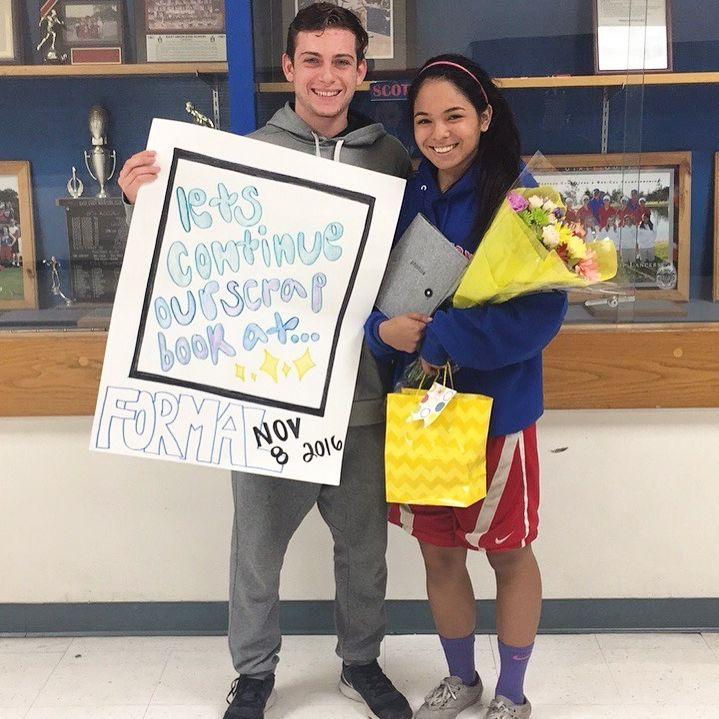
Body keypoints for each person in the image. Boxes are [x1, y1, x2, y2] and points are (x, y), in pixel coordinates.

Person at [118, 5, 413, 719]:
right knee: (256, 549)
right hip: (267, 397)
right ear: (288, 68)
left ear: (362, 71)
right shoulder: (245, 155)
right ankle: (253, 673)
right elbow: (186, 257)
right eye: (311, 60)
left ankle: (361, 662)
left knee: (364, 548)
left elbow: (411, 265)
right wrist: (139, 204)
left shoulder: (392, 160)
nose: (326, 76)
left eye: (341, 61)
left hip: (359, 396)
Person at [364, 54, 567, 719]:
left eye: (453, 116)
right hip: (421, 411)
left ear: (483, 116)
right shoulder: (406, 195)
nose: (438, 133)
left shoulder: (527, 200)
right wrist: (380, 332)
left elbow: (544, 314)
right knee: (440, 554)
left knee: (508, 554)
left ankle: (512, 692)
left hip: (496, 413)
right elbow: (366, 291)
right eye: (423, 120)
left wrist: (448, 335)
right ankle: (461, 678)